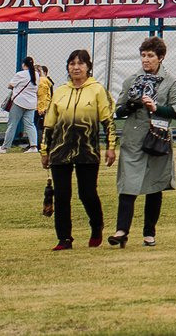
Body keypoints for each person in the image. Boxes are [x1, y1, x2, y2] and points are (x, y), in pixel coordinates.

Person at [111, 35, 176, 248]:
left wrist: (156, 108)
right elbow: (118, 110)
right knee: (128, 184)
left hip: (157, 139)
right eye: (143, 55)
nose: (146, 60)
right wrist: (132, 105)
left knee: (154, 186)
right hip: (133, 139)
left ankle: (149, 232)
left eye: (150, 56)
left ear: (160, 57)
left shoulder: (170, 82)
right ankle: (121, 230)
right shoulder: (131, 80)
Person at [42, 49, 113, 250]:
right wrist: (44, 151)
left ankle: (96, 225)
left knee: (87, 193)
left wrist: (111, 147)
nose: (76, 67)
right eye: (72, 63)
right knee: (62, 195)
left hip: (87, 150)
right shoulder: (60, 92)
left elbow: (108, 121)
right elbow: (49, 124)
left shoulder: (97, 90)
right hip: (60, 150)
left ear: (88, 67)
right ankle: (64, 238)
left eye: (80, 63)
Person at [0, 56, 40, 152]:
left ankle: (5, 147)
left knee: (12, 124)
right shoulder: (36, 75)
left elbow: (10, 85)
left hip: (19, 102)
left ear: (24, 64)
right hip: (32, 103)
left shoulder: (20, 74)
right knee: (30, 124)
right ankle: (33, 146)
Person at [34, 62, 53, 151]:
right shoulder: (48, 82)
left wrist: (41, 108)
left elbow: (42, 96)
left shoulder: (42, 82)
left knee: (38, 126)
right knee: (42, 126)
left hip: (41, 107)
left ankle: (39, 144)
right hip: (46, 106)